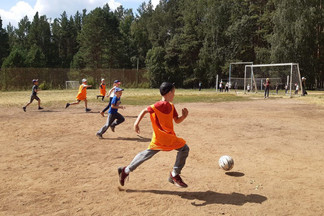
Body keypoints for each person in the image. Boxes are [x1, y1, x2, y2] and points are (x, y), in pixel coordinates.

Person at [118, 82, 190, 188]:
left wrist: (183, 116)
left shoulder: (171, 106)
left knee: (146, 154)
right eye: (173, 92)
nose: (174, 95)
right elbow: (145, 110)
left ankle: (126, 170)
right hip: (164, 139)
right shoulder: (158, 105)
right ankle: (174, 174)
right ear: (169, 93)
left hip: (165, 138)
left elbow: (177, 120)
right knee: (184, 149)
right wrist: (136, 123)